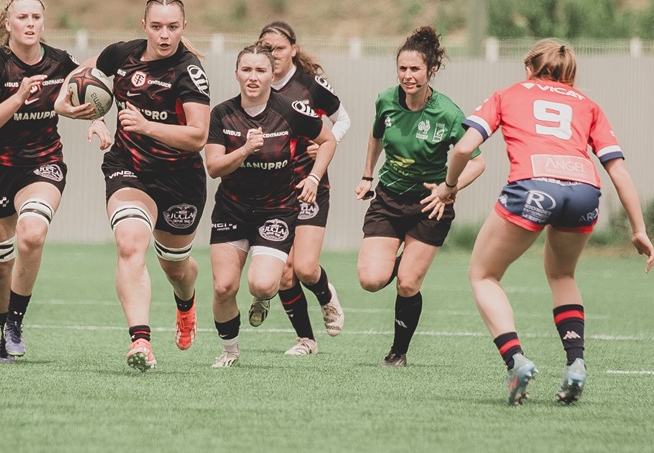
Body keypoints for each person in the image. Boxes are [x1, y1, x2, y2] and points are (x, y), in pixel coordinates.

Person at [425, 39, 654, 405]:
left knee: (483, 274)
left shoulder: (508, 94)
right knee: (563, 275)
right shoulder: (588, 105)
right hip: (583, 189)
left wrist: (449, 186)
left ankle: (515, 360)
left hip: (533, 186)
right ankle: (576, 364)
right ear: (570, 73)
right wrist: (639, 229)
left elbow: (464, 148)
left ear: (529, 68)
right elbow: (618, 170)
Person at [55, 0, 210, 372]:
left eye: (173, 27)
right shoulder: (121, 55)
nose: (164, 35)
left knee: (176, 268)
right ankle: (140, 340)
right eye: (156, 26)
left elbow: (198, 136)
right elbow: (79, 77)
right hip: (129, 169)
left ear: (183, 28)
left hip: (180, 181)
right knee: (130, 244)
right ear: (144, 27)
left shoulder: (188, 72)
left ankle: (186, 305)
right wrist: (74, 109)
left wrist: (146, 126)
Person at [0, 0, 96, 363]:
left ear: (44, 23)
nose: (30, 23)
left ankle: (15, 324)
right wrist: (18, 97)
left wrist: (99, 121)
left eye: (36, 17)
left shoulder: (59, 61)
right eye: (22, 17)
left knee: (32, 233)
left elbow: (90, 87)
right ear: (7, 23)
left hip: (43, 163)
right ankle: (3, 331)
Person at [354, 26, 485, 367]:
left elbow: (478, 163)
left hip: (430, 205)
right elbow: (375, 134)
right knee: (371, 280)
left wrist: (449, 188)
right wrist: (368, 174)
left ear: (431, 71)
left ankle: (398, 353)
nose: (408, 76)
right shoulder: (386, 100)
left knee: (408, 283)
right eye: (403, 69)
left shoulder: (449, 113)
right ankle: (402, 262)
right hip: (388, 199)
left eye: (415, 69)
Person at [207, 45, 337, 367]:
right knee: (224, 287)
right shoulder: (221, 114)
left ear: (272, 74)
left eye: (260, 70)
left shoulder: (290, 110)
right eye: (246, 70)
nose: (253, 77)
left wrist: (314, 178)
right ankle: (230, 351)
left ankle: (262, 298)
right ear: (236, 73)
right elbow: (213, 167)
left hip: (276, 210)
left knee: (263, 284)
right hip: (231, 210)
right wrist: (244, 151)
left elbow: (329, 139)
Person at [253, 21, 349, 356]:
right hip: (273, 190)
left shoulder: (311, 86)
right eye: (267, 48)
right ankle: (306, 340)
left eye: (279, 48)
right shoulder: (256, 86)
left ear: (293, 49)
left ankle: (326, 297)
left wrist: (324, 144)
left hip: (310, 184)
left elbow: (344, 120)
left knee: (306, 268)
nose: (273, 55)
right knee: (284, 273)